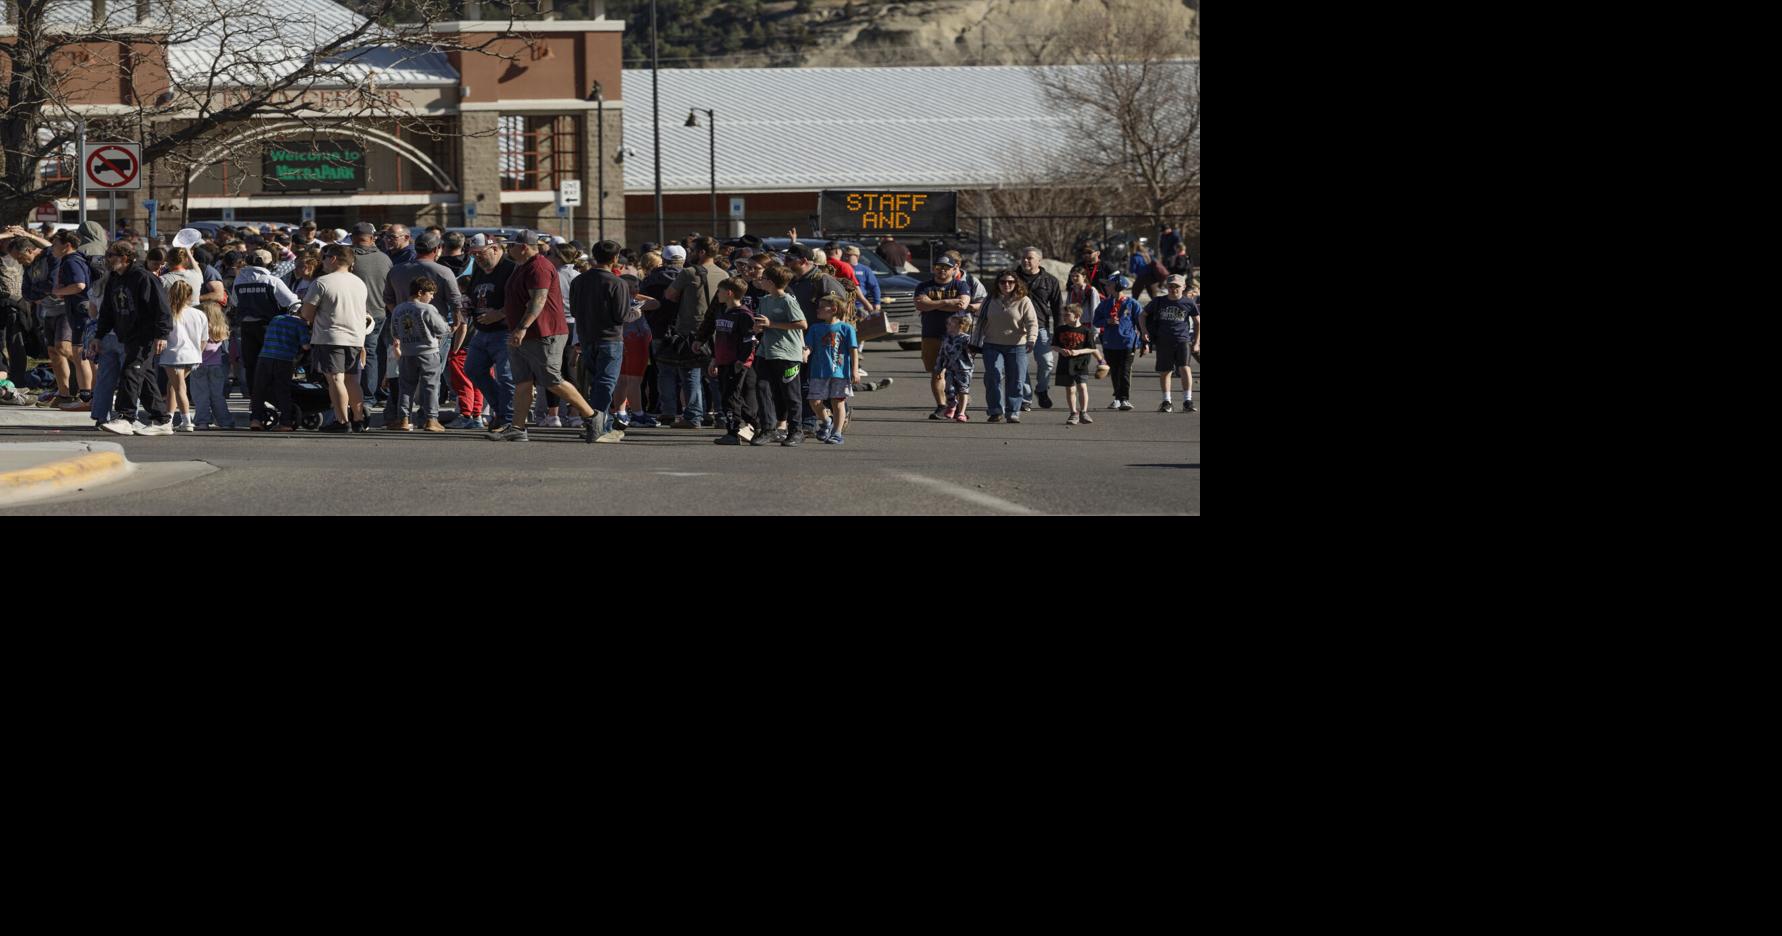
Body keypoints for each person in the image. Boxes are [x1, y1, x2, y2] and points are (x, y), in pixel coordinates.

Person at [489, 231, 599, 442]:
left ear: (523, 247)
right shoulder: (522, 266)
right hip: (523, 333)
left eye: (511, 245)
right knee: (522, 381)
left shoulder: (538, 267)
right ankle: (518, 428)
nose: (507, 249)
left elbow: (538, 300)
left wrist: (522, 327)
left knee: (552, 380)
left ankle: (593, 418)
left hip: (543, 333)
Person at [383, 231, 465, 427]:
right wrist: (454, 326)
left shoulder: (397, 270)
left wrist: (403, 315)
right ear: (437, 249)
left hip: (406, 336)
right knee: (431, 381)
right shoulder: (443, 271)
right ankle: (429, 418)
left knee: (405, 382)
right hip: (432, 337)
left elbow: (388, 299)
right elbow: (456, 303)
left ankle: (402, 418)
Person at [94, 242, 175, 436]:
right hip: (127, 335)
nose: (108, 259)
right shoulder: (114, 279)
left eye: (111, 255)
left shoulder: (143, 277)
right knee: (144, 377)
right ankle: (161, 420)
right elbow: (107, 310)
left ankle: (126, 417)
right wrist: (99, 335)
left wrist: (161, 334)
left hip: (145, 335)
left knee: (130, 372)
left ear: (125, 258)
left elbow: (162, 308)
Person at [567, 239, 634, 444]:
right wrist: (637, 312)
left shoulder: (579, 281)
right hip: (610, 339)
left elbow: (574, 311)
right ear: (615, 258)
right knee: (605, 384)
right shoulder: (617, 283)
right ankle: (599, 427)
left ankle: (597, 422)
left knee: (595, 383)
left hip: (587, 337)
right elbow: (622, 316)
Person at [300, 244, 372, 433]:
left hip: (330, 336)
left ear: (333, 259)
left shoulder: (322, 282)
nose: (322, 262)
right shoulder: (359, 283)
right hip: (355, 337)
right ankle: (358, 419)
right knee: (352, 380)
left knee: (335, 379)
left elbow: (306, 313)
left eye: (324, 258)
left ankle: (342, 420)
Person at [659, 237, 725, 429]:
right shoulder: (723, 274)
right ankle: (722, 415)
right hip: (716, 330)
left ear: (702, 252)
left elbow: (669, 295)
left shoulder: (689, 272)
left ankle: (693, 416)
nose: (690, 253)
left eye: (693, 250)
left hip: (691, 329)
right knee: (715, 375)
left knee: (690, 374)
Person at [231, 247, 302, 398]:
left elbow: (235, 302)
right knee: (272, 363)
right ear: (270, 264)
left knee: (251, 365)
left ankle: (255, 399)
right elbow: (292, 302)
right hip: (269, 328)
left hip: (246, 327)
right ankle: (274, 397)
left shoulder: (239, 280)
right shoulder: (272, 280)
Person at [970, 270, 1038, 424]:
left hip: (1017, 346)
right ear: (998, 284)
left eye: (1010, 282)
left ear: (1016, 284)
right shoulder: (989, 300)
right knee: (993, 376)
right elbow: (979, 323)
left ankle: (1013, 411)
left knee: (1016, 380)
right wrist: (974, 344)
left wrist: (1031, 339)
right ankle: (995, 411)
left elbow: (1032, 322)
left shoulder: (1024, 300)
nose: (1006, 285)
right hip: (992, 345)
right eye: (1003, 282)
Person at [463, 238, 516, 431]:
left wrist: (500, 313)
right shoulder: (479, 269)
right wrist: (467, 303)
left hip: (504, 330)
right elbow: (472, 292)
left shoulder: (511, 269)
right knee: (473, 369)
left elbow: (522, 299)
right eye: (473, 254)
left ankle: (509, 419)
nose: (477, 258)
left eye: (480, 253)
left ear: (494, 248)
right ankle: (501, 411)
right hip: (482, 331)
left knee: (506, 376)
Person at [751, 264, 807, 446]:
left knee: (790, 394)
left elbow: (802, 324)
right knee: (762, 389)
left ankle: (796, 431)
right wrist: (757, 327)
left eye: (764, 278)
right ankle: (768, 429)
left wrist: (772, 324)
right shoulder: (765, 300)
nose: (760, 281)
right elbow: (762, 323)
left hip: (787, 354)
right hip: (765, 352)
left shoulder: (788, 300)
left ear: (772, 282)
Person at [387, 277, 452, 432]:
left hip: (407, 352)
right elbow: (442, 329)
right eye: (430, 293)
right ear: (420, 292)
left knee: (406, 387)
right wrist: (448, 327)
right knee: (431, 386)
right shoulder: (427, 309)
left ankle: (403, 419)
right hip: (428, 352)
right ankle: (431, 419)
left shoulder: (398, 309)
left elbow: (394, 332)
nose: (432, 297)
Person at [915, 255, 972, 419]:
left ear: (954, 269)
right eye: (939, 267)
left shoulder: (960, 285)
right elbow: (920, 304)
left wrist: (932, 304)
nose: (942, 271)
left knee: (958, 373)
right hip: (931, 334)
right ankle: (941, 405)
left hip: (956, 337)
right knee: (937, 372)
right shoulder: (924, 286)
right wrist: (948, 303)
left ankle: (959, 406)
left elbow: (962, 304)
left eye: (946, 268)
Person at [706, 276, 760, 446]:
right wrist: (715, 359)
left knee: (731, 397)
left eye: (720, 291)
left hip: (736, 362)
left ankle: (734, 431)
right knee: (729, 397)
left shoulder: (744, 314)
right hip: (723, 360)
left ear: (729, 293)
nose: (718, 295)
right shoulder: (721, 311)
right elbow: (719, 339)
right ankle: (757, 424)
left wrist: (741, 360)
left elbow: (749, 340)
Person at [47, 231, 96, 411]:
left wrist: (58, 291)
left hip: (80, 314)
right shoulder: (77, 259)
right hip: (81, 312)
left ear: (67, 245)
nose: (52, 247)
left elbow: (79, 285)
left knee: (81, 354)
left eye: (55, 244)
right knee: (84, 355)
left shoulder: (71, 261)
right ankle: (91, 398)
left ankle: (87, 399)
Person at [347, 222, 393, 409]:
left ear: (352, 238)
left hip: (359, 315)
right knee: (377, 353)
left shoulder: (349, 257)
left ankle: (367, 396)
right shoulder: (385, 258)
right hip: (381, 312)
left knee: (365, 354)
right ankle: (375, 393)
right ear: (372, 238)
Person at [1136, 274, 1199, 413]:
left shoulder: (1188, 302)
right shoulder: (1159, 301)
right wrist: (1144, 331)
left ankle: (1187, 401)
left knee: (1185, 368)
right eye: (1170, 286)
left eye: (1176, 286)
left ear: (1183, 287)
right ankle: (1166, 401)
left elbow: (1197, 322)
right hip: (1163, 340)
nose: (1173, 288)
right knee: (1165, 371)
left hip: (1182, 340)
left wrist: (1196, 342)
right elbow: (1142, 315)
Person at [1013, 247, 1063, 412]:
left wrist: (1059, 333)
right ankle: (1025, 398)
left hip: (1040, 327)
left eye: (1029, 258)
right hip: (1016, 327)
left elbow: (1057, 308)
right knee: (1020, 364)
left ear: (1039, 260)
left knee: (1046, 361)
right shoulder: (1012, 278)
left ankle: (1042, 389)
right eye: (1023, 258)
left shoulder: (1050, 281)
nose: (1025, 261)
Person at [804, 294, 858, 445]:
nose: (818, 309)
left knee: (838, 402)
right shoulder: (815, 328)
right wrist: (805, 353)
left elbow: (853, 350)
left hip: (840, 373)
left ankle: (837, 433)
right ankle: (826, 421)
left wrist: (854, 370)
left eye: (822, 307)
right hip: (818, 372)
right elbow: (809, 346)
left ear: (834, 309)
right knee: (814, 401)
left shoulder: (846, 328)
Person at [250, 304, 310, 432]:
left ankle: (256, 419)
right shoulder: (301, 324)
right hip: (284, 359)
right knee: (282, 390)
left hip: (265, 357)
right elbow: (306, 346)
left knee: (259, 389)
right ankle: (286, 422)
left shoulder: (276, 318)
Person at [159, 279, 207, 431]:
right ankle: (170, 418)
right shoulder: (199, 314)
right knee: (173, 386)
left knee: (178, 387)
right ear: (189, 296)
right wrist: (198, 353)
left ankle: (186, 421)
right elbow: (204, 339)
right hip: (193, 355)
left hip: (174, 355)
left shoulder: (169, 313)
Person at [1093, 274, 1144, 411]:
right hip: (1109, 342)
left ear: (1118, 286)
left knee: (1124, 371)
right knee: (1115, 371)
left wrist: (1143, 342)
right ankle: (1117, 398)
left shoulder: (1132, 303)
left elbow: (1141, 323)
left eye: (1109, 284)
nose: (1106, 287)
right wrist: (1107, 321)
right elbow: (1096, 321)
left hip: (1127, 343)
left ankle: (1124, 399)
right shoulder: (1104, 304)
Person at [1051, 300, 1105, 426]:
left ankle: (1084, 412)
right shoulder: (1060, 329)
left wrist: (1078, 352)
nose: (1064, 317)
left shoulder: (1086, 331)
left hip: (1081, 364)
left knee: (1082, 387)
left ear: (1077, 316)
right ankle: (1073, 413)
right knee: (1070, 389)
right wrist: (1061, 350)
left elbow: (1092, 348)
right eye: (1064, 315)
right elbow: (1054, 346)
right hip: (1065, 364)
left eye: (1067, 315)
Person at [191, 300, 235, 429]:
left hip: (199, 365)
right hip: (217, 366)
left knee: (201, 395)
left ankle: (202, 421)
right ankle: (225, 421)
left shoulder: (200, 330)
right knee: (217, 395)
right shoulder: (221, 330)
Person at [935, 312, 974, 422]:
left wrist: (972, 348)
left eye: (951, 324)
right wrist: (938, 369)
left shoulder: (967, 339)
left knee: (963, 390)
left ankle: (961, 413)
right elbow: (941, 354)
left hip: (964, 369)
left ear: (961, 325)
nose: (947, 326)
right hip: (950, 369)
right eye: (947, 324)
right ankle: (952, 405)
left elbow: (973, 350)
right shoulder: (946, 339)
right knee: (949, 390)